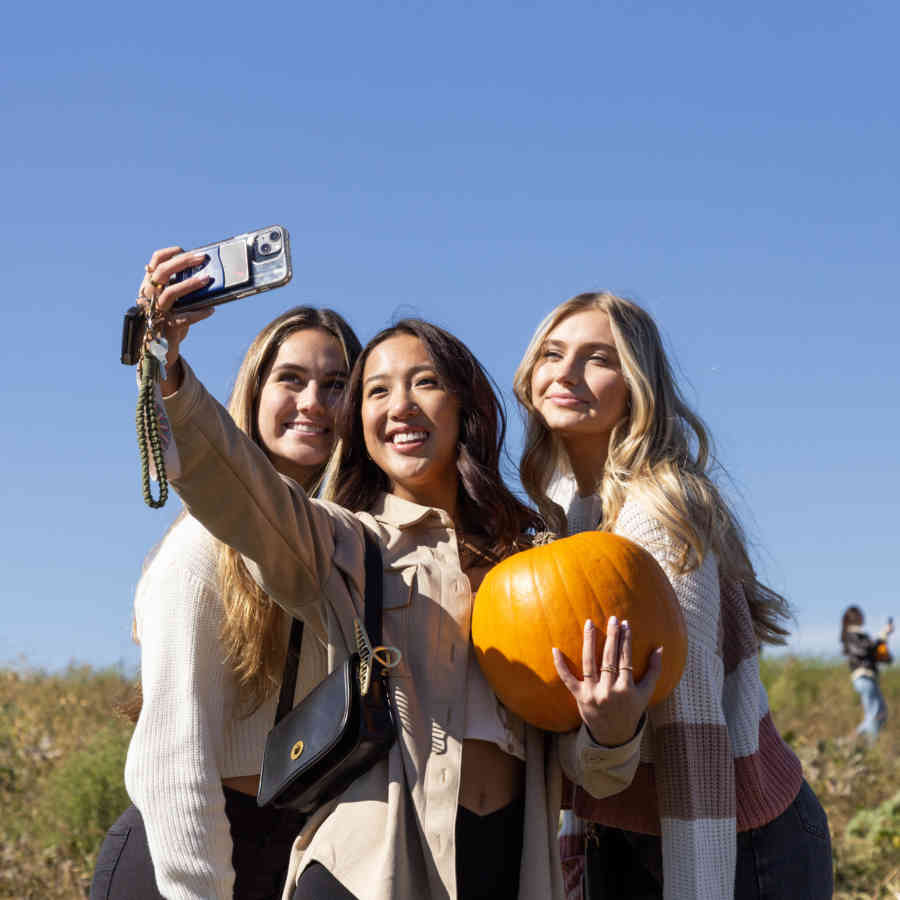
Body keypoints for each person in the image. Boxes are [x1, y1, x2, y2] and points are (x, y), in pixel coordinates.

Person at [130, 246, 663, 900]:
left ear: (466, 404)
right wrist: (169, 369)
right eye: (376, 391)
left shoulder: (536, 559)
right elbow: (240, 495)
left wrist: (613, 729)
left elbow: (591, 771)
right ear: (361, 423)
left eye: (425, 382)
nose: (400, 406)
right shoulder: (342, 542)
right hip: (367, 872)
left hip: (508, 868)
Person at [513, 291, 834, 900]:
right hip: (628, 828)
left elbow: (693, 734)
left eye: (598, 359)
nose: (567, 373)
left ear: (636, 385)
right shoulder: (561, 513)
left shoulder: (657, 516)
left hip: (730, 839)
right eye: (552, 354)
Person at [90, 303, 362, 900]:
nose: (314, 402)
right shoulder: (199, 548)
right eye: (290, 379)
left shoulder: (357, 550)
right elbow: (174, 758)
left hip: (297, 853)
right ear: (255, 391)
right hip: (182, 856)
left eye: (337, 384)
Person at [840, 606, 893, 742]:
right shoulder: (851, 635)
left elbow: (878, 655)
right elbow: (865, 651)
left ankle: (848, 743)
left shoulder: (860, 636)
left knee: (878, 713)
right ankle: (867, 745)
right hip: (863, 677)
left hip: (869, 678)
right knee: (875, 713)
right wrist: (881, 637)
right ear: (856, 617)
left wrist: (883, 638)